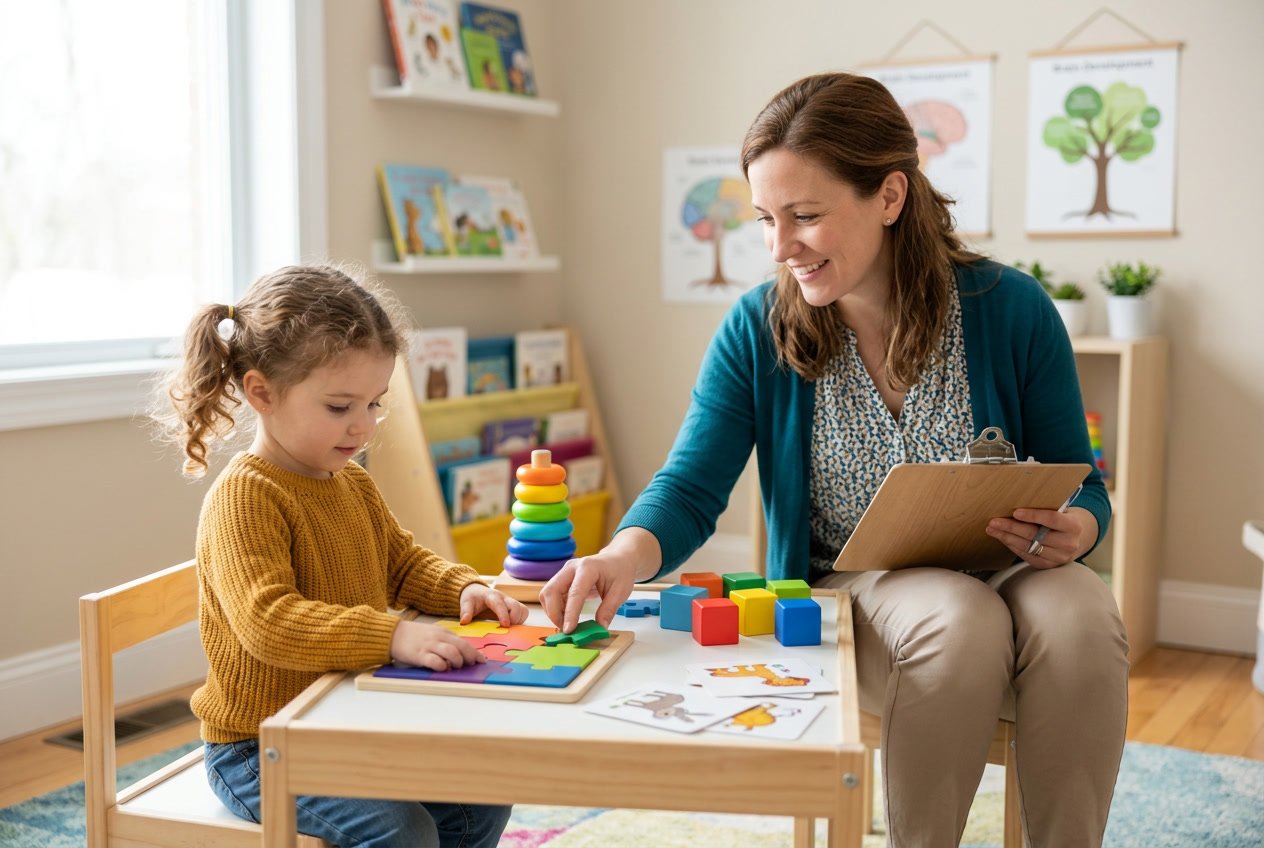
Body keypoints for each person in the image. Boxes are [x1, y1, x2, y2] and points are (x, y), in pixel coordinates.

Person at [539, 73, 1128, 847]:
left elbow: (1081, 485)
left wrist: (1077, 529)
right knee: (958, 618)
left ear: (889, 197)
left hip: (1012, 568)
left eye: (805, 217)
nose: (781, 248)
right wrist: (623, 553)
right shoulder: (757, 329)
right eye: (765, 220)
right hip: (859, 593)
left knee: (1082, 612)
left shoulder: (1012, 310)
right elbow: (690, 486)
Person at [157, 264, 526, 848]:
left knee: (480, 791)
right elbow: (269, 623)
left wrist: (460, 588)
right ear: (262, 393)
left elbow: (401, 563)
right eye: (339, 407)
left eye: (375, 403)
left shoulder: (349, 481)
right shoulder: (246, 496)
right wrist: (391, 637)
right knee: (401, 832)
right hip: (260, 746)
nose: (363, 425)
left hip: (344, 719)